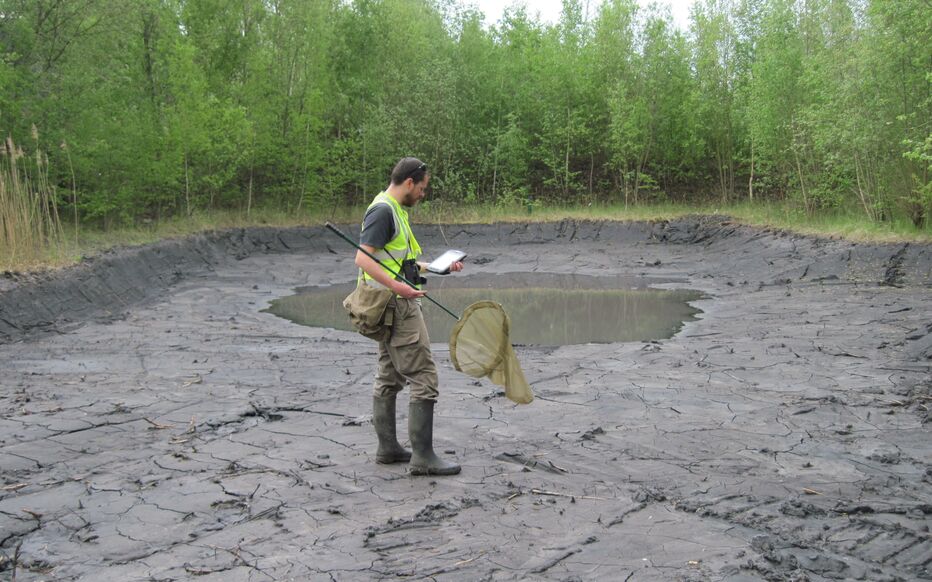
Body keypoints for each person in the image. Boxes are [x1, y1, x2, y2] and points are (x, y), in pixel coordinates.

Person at [355, 157, 463, 476]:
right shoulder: (383, 210)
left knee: (389, 374)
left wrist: (440, 268)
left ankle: (387, 448)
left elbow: (402, 262)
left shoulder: (394, 210)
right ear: (409, 183)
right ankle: (423, 457)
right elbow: (363, 258)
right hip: (394, 304)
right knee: (424, 376)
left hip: (388, 300)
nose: (423, 195)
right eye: (423, 188)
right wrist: (399, 289)